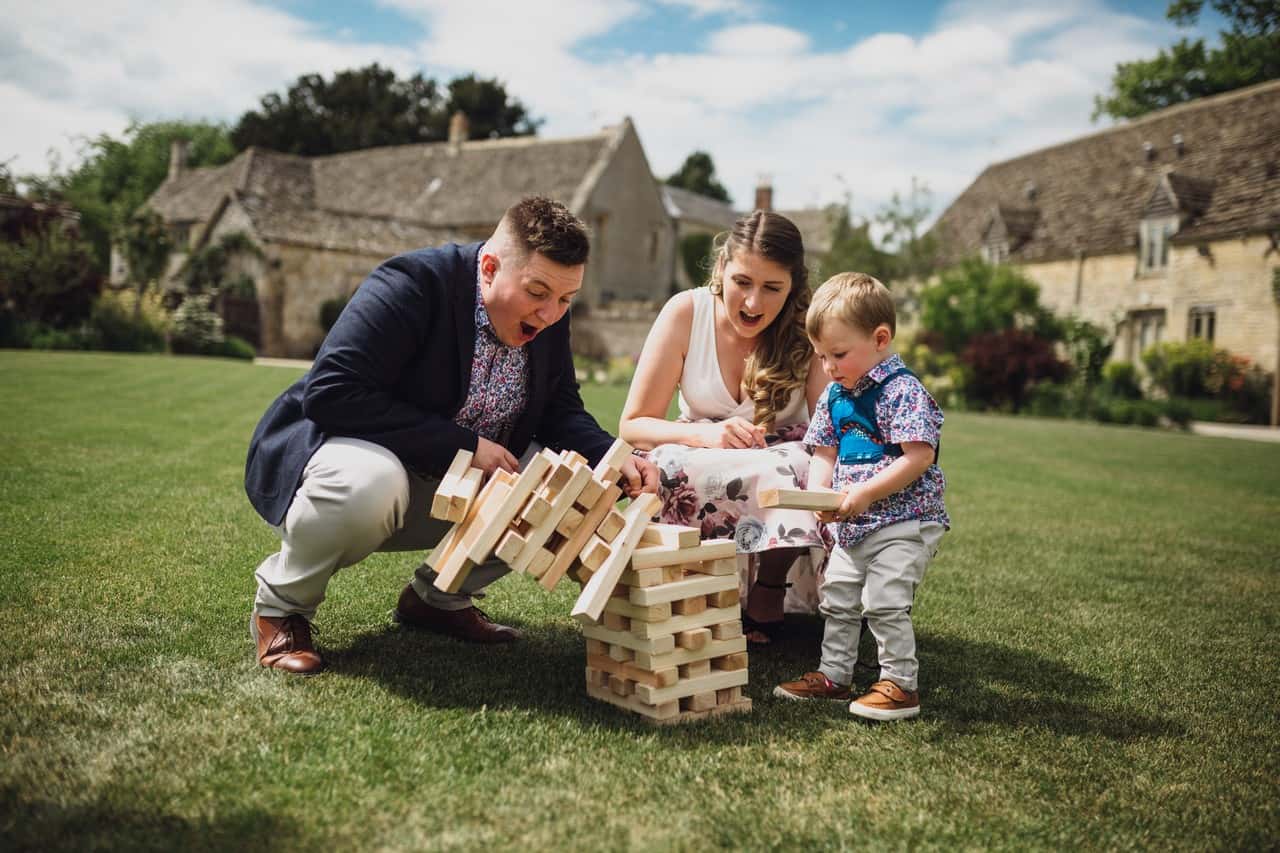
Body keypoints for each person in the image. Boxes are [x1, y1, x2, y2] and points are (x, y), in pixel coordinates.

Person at [244, 196, 659, 675]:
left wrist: (612, 454)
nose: (549, 314)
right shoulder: (412, 284)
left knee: (563, 485)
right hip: (351, 464)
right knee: (370, 483)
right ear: (488, 267)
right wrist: (466, 447)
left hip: (452, 482)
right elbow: (332, 393)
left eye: (566, 299)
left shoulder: (549, 318)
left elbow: (560, 410)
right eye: (537, 292)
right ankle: (282, 608)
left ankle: (437, 598)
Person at [619, 211, 828, 645]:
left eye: (772, 288)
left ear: (793, 285)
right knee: (669, 466)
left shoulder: (810, 328)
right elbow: (633, 426)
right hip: (695, 443)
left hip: (780, 452)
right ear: (720, 269)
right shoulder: (685, 312)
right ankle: (690, 586)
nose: (753, 303)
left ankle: (769, 589)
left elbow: (829, 426)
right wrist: (704, 434)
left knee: (796, 467)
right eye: (742, 283)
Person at [773, 272, 948, 719]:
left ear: (880, 338)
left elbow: (919, 457)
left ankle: (899, 684)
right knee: (839, 598)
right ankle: (834, 675)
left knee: (885, 599)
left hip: (905, 521)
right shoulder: (836, 394)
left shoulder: (902, 391)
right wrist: (819, 498)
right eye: (821, 356)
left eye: (839, 354)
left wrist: (866, 492)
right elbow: (824, 453)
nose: (828, 367)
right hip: (854, 525)